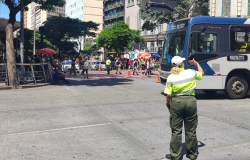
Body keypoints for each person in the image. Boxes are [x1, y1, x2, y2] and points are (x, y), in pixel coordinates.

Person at [164, 56, 204, 160]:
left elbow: (168, 95)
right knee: (191, 129)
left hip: (177, 102)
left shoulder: (171, 77)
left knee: (176, 130)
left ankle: (175, 155)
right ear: (182, 63)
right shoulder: (191, 72)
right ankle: (191, 154)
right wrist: (196, 63)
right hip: (191, 101)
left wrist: (168, 105)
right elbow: (202, 73)